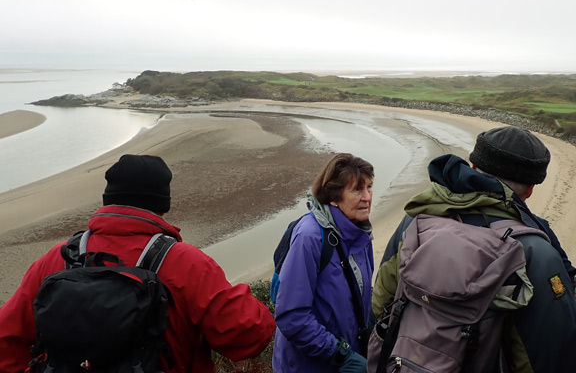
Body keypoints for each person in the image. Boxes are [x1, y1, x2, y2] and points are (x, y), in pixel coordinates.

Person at [0, 154, 276, 373]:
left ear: (108, 199)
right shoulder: (186, 262)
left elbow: (6, 339)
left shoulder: (58, 257)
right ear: (162, 206)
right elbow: (247, 337)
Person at [371, 126, 576, 372]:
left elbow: (381, 300)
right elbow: (548, 354)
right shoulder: (536, 253)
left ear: (474, 167)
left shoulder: (417, 219)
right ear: (530, 189)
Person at [273, 152, 375, 373]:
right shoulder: (310, 236)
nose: (367, 197)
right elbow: (291, 315)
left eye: (369, 187)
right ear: (333, 197)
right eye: (357, 190)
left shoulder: (361, 233)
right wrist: (340, 355)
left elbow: (359, 290)